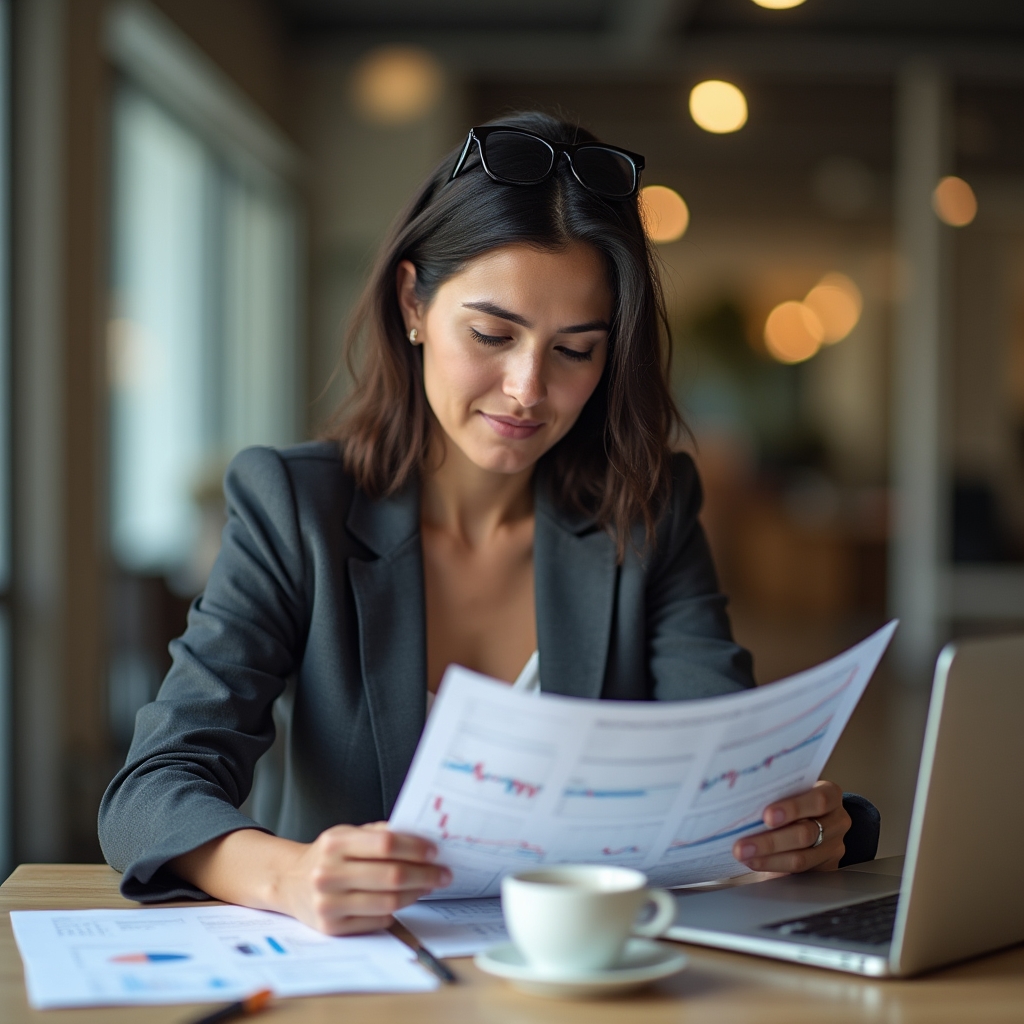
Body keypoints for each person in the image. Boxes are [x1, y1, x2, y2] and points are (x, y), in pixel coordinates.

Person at [99, 112, 876, 937]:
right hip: (356, 985)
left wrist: (812, 827)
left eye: (575, 350)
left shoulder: (646, 508)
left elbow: (727, 777)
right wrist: (289, 874)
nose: (526, 389)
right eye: (492, 334)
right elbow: (150, 794)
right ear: (412, 304)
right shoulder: (295, 508)